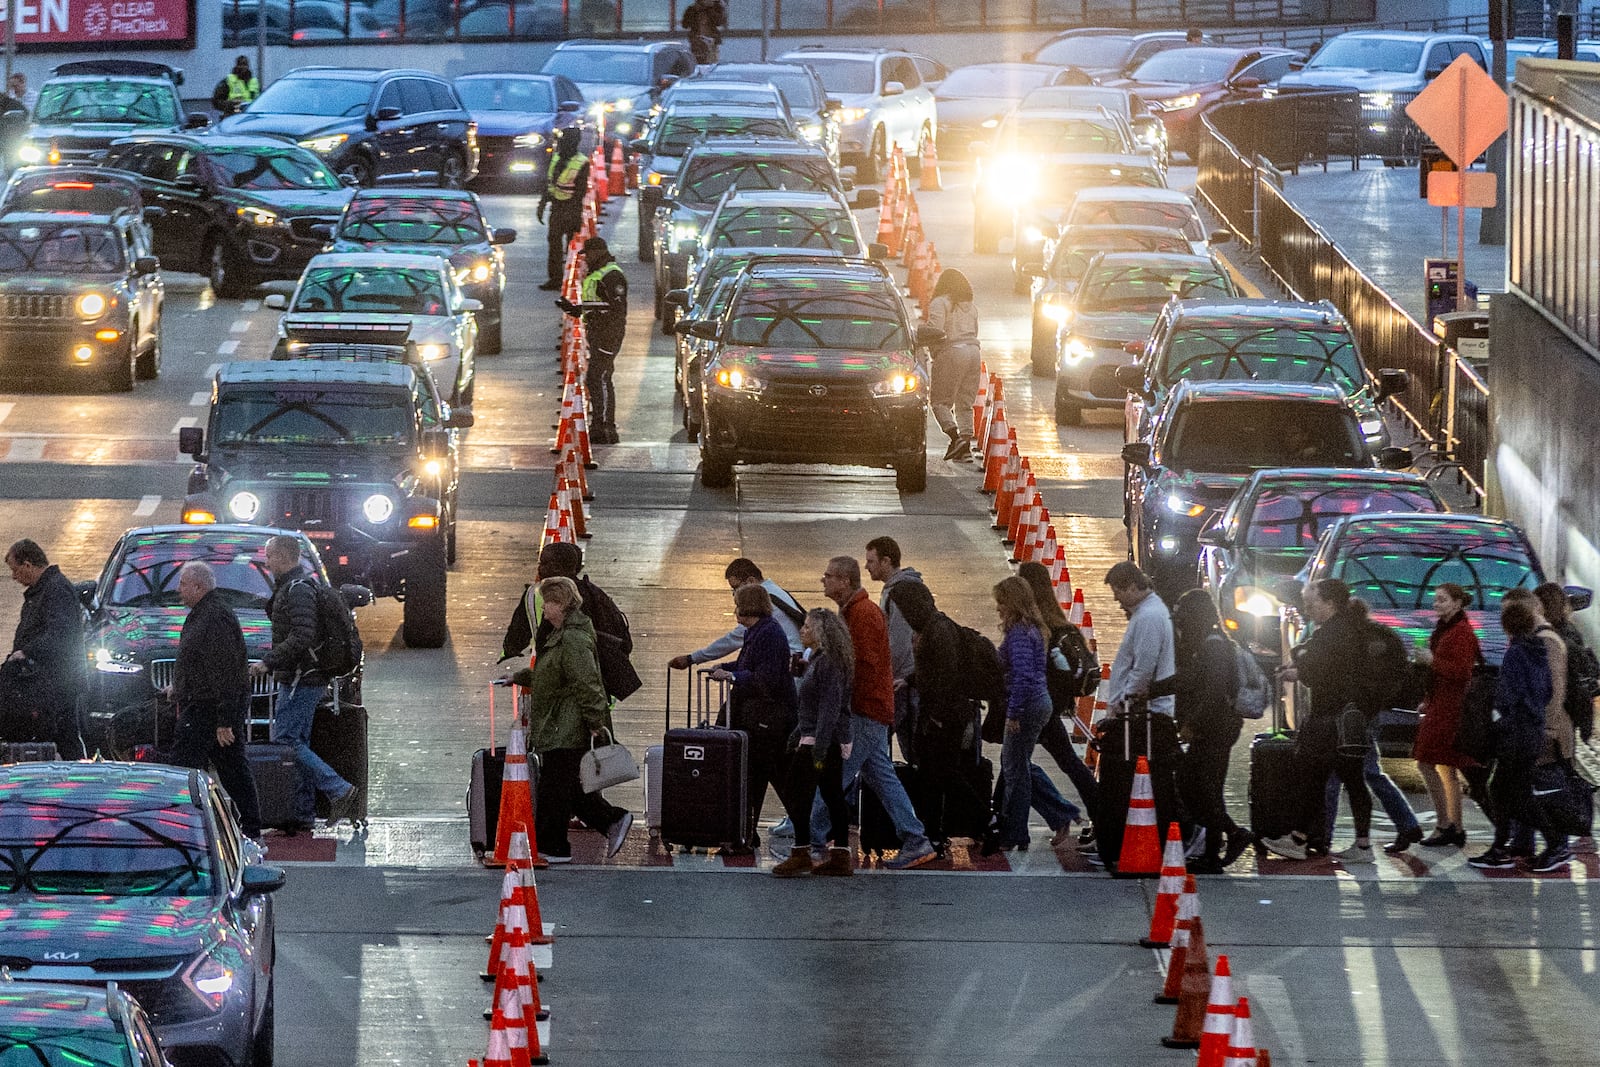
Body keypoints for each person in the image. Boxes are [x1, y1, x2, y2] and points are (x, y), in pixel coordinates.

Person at [816, 556, 937, 869]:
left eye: (829, 576)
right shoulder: (855, 611)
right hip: (871, 708)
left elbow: (862, 665)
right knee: (881, 777)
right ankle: (915, 838)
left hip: (866, 710)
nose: (823, 581)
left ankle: (810, 839)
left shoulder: (863, 614)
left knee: (834, 777)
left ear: (845, 581)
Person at [515, 576, 632, 863]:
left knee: (555, 786)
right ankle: (608, 821)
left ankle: (555, 845)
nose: (544, 610)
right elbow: (554, 673)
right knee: (568, 786)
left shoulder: (573, 638)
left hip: (568, 724)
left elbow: (586, 681)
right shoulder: (563, 635)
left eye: (549, 604)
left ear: (562, 604)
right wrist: (518, 678)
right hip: (561, 722)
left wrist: (595, 721)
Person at [249, 535, 358, 830]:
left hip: (302, 677)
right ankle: (302, 813)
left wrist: (268, 662)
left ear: (283, 557)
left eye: (269, 556)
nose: (266, 562)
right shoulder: (294, 587)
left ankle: (338, 788)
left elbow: (302, 636)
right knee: (298, 743)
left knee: (286, 741)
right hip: (303, 676)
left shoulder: (297, 590)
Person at [1261, 579, 1373, 862]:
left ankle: (1300, 839)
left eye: (1312, 602)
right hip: (1351, 717)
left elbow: (1320, 671)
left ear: (1329, 603)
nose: (1307, 608)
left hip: (1330, 717)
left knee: (1311, 776)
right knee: (1349, 780)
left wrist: (1298, 672)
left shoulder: (1335, 632)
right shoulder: (1350, 628)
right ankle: (1360, 845)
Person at [888, 580, 993, 850]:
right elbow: (932, 670)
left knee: (942, 774)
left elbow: (947, 676)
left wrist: (936, 715)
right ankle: (937, 829)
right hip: (937, 714)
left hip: (945, 717)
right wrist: (910, 680)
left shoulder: (938, 630)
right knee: (936, 775)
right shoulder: (928, 628)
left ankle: (982, 820)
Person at [166, 561, 262, 841]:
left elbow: (226, 671)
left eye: (183, 583)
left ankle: (181, 825)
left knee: (185, 766)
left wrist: (225, 720)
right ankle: (250, 826)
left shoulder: (214, 616)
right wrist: (179, 686)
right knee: (231, 767)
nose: (179, 589)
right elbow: (200, 663)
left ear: (199, 586)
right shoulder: (204, 612)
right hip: (204, 703)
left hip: (209, 709)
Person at [1099, 561, 1184, 866]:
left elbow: (1143, 666)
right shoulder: (1149, 612)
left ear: (1133, 586)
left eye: (1118, 590)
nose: (1116, 598)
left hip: (1142, 718)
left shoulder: (1148, 617)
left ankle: (1123, 843)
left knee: (1128, 782)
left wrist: (1125, 702)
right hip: (1141, 714)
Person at [986, 575, 1077, 854]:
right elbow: (1005, 661)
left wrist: (1012, 713)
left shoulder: (1020, 633)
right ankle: (1060, 815)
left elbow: (1023, 677)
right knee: (1018, 764)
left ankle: (1017, 831)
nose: (998, 608)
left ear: (1013, 603)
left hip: (1027, 705)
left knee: (1016, 770)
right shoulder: (1028, 629)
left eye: (1002, 602)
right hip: (1037, 703)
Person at [1016, 561, 1102, 848]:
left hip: (1037, 707)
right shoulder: (1060, 623)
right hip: (1054, 706)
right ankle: (1092, 815)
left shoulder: (1035, 627)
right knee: (1062, 763)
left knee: (1016, 764)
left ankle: (1066, 814)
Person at [1468, 598, 1558, 871]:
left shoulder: (1516, 654)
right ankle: (1503, 846)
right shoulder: (1537, 650)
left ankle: (1550, 842)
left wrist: (1497, 721)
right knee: (1509, 790)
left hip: (1516, 733)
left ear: (1506, 626)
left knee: (1509, 792)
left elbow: (1507, 695)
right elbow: (1547, 691)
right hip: (1531, 730)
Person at [708, 584, 798, 852]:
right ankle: (753, 832)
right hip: (768, 719)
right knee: (772, 775)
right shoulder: (759, 631)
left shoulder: (767, 633)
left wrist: (733, 676)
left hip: (767, 720)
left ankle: (747, 835)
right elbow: (749, 664)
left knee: (758, 774)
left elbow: (765, 677)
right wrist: (725, 668)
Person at [1166, 591, 1250, 872]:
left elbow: (1212, 692)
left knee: (1200, 786)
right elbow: (1190, 680)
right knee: (1199, 786)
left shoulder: (1213, 647)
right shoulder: (1209, 643)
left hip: (1216, 728)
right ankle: (1224, 842)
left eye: (1182, 612)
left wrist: (1192, 723)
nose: (1178, 617)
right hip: (1214, 727)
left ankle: (1221, 845)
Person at [774, 607, 855, 877]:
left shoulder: (828, 663)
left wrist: (818, 747)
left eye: (807, 627)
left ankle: (801, 850)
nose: (802, 630)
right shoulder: (821, 661)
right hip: (819, 739)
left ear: (820, 632)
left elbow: (828, 708)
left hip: (819, 742)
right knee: (832, 795)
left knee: (795, 793)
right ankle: (841, 854)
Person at [523, 542, 641, 704]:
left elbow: (581, 674)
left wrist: (595, 722)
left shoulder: (571, 610)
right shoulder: (591, 593)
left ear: (559, 568)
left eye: (544, 564)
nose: (540, 569)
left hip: (576, 698)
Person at [1411, 582, 1481, 848]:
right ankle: (1455, 826)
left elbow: (1462, 673)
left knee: (1426, 762)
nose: (1435, 604)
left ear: (1457, 603)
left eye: (1441, 600)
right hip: (1442, 704)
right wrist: (1428, 699)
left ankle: (1444, 824)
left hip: (1450, 709)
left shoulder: (1460, 632)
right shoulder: (1448, 629)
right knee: (1445, 767)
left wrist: (1432, 661)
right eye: (1435, 599)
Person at [3, 539, 86, 759]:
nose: (13, 576)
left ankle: (77, 777)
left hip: (58, 684)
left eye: (15, 569)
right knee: (56, 737)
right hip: (46, 684)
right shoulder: (43, 590)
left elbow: (61, 633)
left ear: (28, 564)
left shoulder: (56, 589)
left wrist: (26, 652)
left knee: (65, 736)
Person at [668, 558, 806, 669]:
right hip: (790, 661)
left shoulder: (762, 600)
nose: (735, 594)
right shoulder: (774, 591)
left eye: (736, 587)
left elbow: (735, 638)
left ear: (751, 581)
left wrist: (692, 658)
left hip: (786, 665)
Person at [557, 236, 627, 444]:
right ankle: (600, 425)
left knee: (601, 377)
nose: (585, 260)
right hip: (598, 334)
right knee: (597, 378)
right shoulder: (597, 274)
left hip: (608, 334)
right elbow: (595, 305)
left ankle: (605, 428)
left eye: (587, 255)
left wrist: (586, 311)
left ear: (597, 252)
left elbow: (615, 308)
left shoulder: (612, 276)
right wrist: (575, 310)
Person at [865, 536, 924, 762]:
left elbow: (897, 644)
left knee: (876, 745)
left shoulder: (899, 593)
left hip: (902, 683)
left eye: (871, 561)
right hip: (907, 680)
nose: (867, 567)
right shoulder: (897, 589)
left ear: (886, 561)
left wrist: (884, 680)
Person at [922, 269, 982, 462]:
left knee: (940, 402)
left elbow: (935, 331)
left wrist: (922, 336)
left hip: (951, 352)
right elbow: (975, 330)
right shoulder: (971, 307)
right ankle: (965, 448)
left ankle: (955, 438)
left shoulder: (940, 303)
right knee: (965, 403)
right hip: (974, 353)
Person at [1535, 581, 1596, 743]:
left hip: (1543, 723)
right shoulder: (1565, 638)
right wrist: (1585, 727)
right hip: (1559, 723)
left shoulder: (1535, 637)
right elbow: (1581, 686)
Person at [537, 126, 590, 292]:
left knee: (571, 246)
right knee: (554, 243)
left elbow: (580, 190)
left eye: (565, 140)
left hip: (572, 208)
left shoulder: (582, 162)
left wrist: (574, 212)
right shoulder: (556, 158)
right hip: (557, 207)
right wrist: (542, 204)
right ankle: (555, 279)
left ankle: (571, 278)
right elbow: (549, 183)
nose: (561, 143)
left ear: (573, 142)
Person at [681, 0, 726, 64]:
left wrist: (712, 9)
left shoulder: (715, 8)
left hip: (711, 40)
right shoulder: (692, 9)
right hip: (697, 40)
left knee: (712, 62)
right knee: (698, 61)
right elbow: (685, 24)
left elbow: (719, 22)